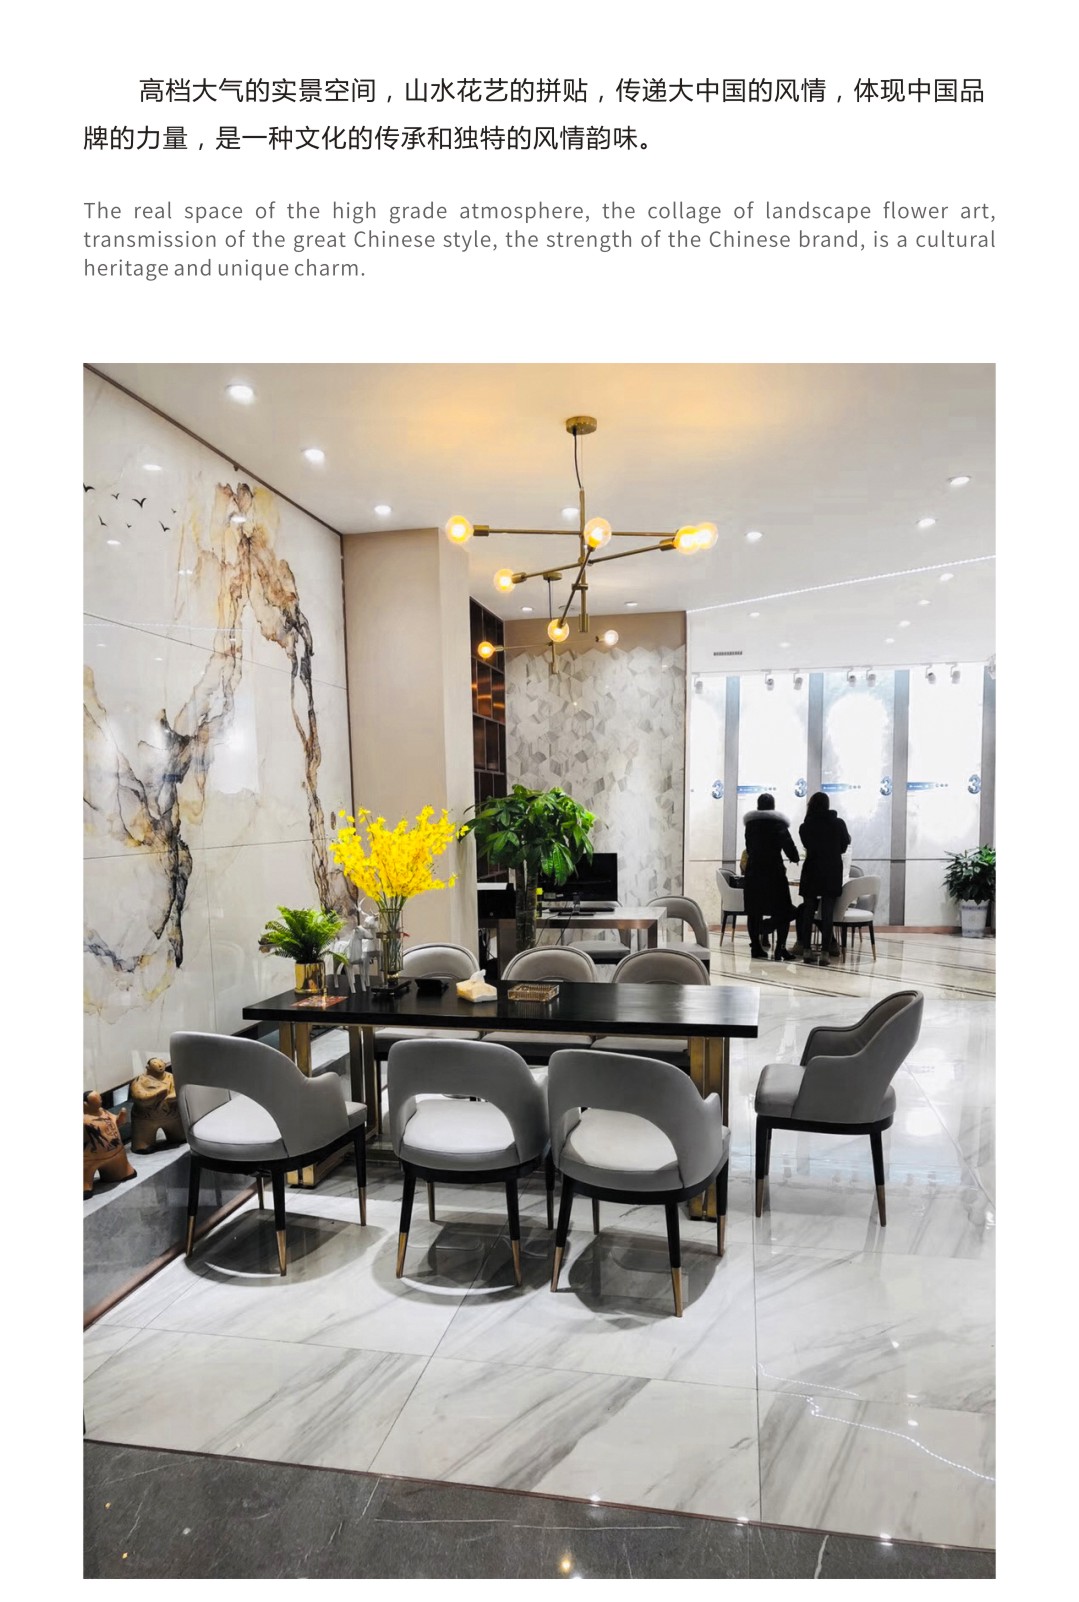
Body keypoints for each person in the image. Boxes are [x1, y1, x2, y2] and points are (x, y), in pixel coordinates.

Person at [795, 791, 852, 966]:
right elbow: (844, 845)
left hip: (811, 870)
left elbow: (807, 845)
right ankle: (826, 952)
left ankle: (806, 950)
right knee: (827, 912)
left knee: (808, 911)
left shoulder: (805, 827)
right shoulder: (838, 823)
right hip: (831, 871)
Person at [742, 793, 799, 961]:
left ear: (758, 806)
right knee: (784, 909)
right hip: (774, 874)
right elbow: (789, 847)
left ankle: (756, 947)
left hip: (753, 873)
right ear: (773, 807)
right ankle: (780, 948)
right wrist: (795, 857)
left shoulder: (750, 825)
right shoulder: (778, 824)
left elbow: (749, 848)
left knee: (754, 912)